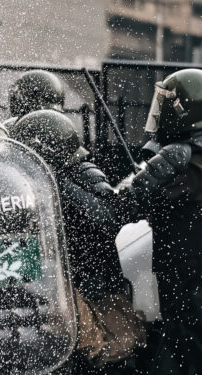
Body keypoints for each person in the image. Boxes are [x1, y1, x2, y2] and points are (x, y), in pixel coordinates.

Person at [10, 110, 146, 373]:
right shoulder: (53, 178)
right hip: (69, 274)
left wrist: (56, 184)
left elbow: (106, 219)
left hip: (91, 282)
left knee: (103, 350)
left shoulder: (77, 174)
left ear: (45, 151)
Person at [100, 69, 202, 375]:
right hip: (189, 280)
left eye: (166, 104)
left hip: (188, 285)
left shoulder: (179, 157)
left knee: (184, 354)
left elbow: (121, 204)